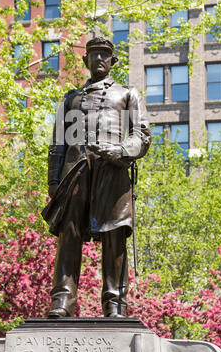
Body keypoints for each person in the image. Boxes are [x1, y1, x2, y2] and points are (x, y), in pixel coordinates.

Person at [42, 37, 151, 318]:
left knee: (115, 235)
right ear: (86, 61)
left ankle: (115, 303)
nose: (99, 59)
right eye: (94, 54)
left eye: (105, 54)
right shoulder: (71, 99)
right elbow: (58, 144)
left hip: (113, 170)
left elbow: (142, 136)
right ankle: (63, 301)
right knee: (70, 235)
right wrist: (54, 182)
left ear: (113, 61)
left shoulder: (127, 95)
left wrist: (119, 151)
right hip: (75, 172)